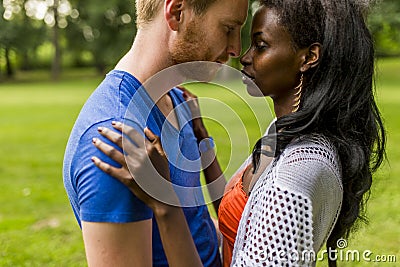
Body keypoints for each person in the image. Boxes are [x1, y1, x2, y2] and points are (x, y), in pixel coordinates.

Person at [92, 0, 386, 266]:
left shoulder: (296, 178)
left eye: (260, 45)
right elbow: (242, 219)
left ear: (308, 57)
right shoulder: (285, 132)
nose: (242, 56)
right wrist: (202, 141)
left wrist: (164, 202)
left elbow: (271, 209)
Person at [63, 0, 248, 266]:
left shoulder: (178, 101)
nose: (236, 49)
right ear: (177, 13)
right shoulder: (116, 141)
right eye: (228, 28)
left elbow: (197, 223)